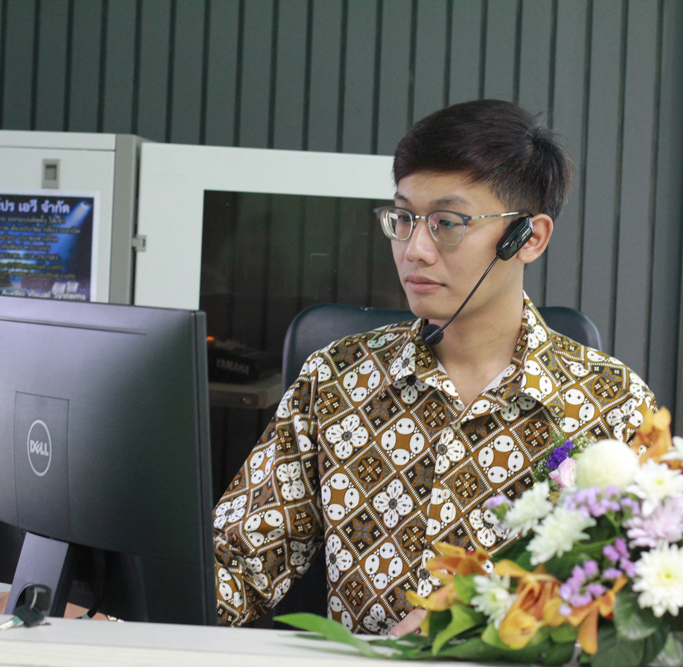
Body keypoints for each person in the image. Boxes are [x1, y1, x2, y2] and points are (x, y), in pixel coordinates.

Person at [213, 99, 656, 635]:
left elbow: (640, 601)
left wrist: (480, 625)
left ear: (529, 238)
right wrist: (128, 617)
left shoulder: (613, 404)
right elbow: (237, 562)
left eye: (447, 223)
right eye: (404, 219)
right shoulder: (337, 380)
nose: (415, 250)